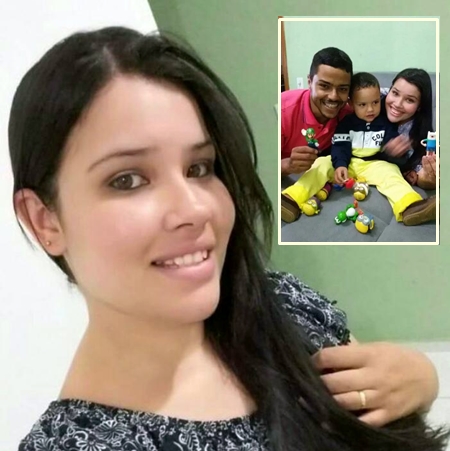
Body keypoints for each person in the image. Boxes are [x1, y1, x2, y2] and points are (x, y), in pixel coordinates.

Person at [9, 27, 447, 450]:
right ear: (44, 221)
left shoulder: (281, 301)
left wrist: (421, 382)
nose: (196, 209)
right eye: (127, 179)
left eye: (199, 168)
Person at [281, 73, 436, 226]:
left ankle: (410, 206)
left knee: (391, 172)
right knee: (321, 163)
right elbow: (340, 146)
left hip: (373, 165)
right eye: (362, 105)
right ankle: (291, 199)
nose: (370, 109)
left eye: (375, 102)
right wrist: (340, 165)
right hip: (348, 163)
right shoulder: (346, 123)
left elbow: (393, 151)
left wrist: (395, 151)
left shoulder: (386, 123)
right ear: (350, 103)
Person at [281, 47, 353, 176]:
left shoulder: (347, 114)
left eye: (342, 89)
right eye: (324, 86)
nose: (333, 96)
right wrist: (288, 165)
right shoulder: (283, 111)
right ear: (309, 82)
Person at [381, 68, 437, 190]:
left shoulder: (419, 136)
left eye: (409, 100)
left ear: (419, 106)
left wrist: (427, 179)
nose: (397, 104)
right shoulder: (374, 100)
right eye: (395, 93)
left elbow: (422, 175)